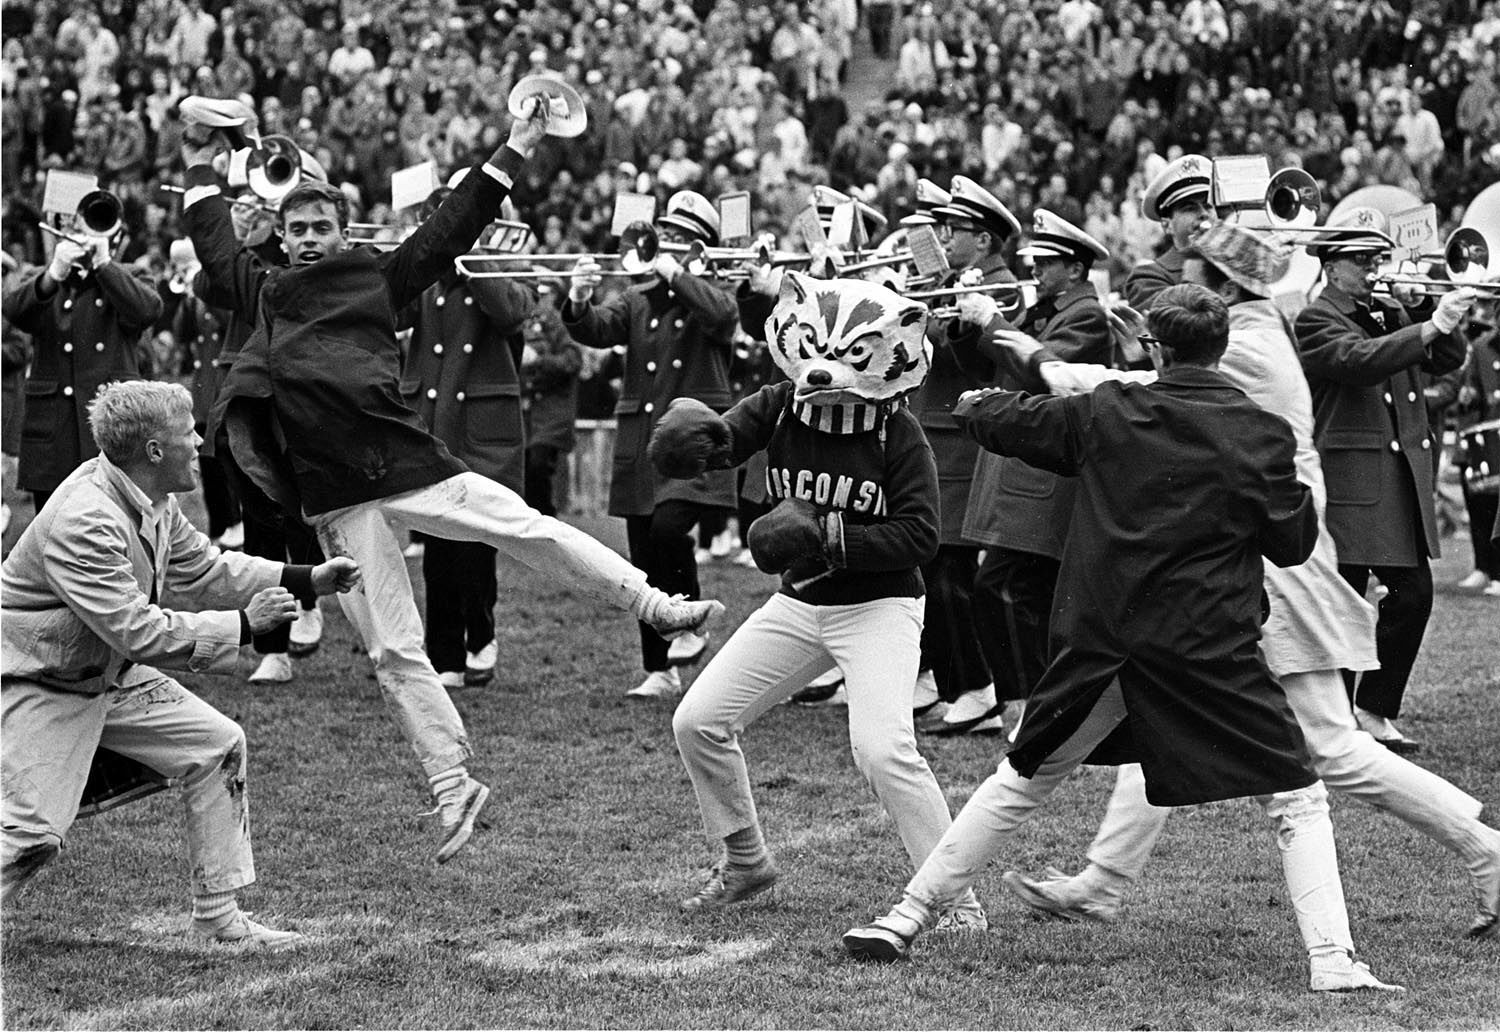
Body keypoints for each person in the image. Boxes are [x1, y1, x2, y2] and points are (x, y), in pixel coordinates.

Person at [180, 97, 723, 863]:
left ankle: (658, 606)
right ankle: (453, 785)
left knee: (526, 527)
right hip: (335, 495)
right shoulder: (264, 289)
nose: (306, 242)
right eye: (295, 230)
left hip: (405, 461)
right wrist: (200, 152)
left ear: (344, 233)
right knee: (393, 654)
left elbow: (455, 224)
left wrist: (517, 145)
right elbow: (208, 236)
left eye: (319, 229)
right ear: (279, 233)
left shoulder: (378, 276)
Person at [842, 283, 1403, 994]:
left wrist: (972, 404)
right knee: (1297, 799)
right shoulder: (1260, 432)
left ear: (1154, 347)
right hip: (1207, 646)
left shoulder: (1111, 409)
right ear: (1223, 346)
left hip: (1104, 637)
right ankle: (1332, 961)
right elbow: (1292, 545)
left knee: (1021, 780)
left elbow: (1014, 418)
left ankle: (904, 916)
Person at [995, 224, 1500, 945]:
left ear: (1227, 285)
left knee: (1333, 747)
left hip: (1283, 570)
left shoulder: (1251, 346)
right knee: (1166, 695)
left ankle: (1487, 849)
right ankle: (1103, 882)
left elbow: (1127, 389)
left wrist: (1037, 358)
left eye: (1196, 272)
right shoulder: (1254, 328)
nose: (1184, 283)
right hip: (1260, 558)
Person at [649, 272, 982, 929]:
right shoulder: (781, 401)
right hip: (801, 604)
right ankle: (745, 861)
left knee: (884, 753)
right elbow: (726, 442)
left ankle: (956, 903)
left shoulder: (899, 433)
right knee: (698, 722)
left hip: (880, 608)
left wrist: (830, 536)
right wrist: (700, 443)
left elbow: (921, 536)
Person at [0, 380, 361, 947]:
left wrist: (305, 578)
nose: (198, 442)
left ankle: (218, 919)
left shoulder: (150, 498)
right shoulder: (85, 519)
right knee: (29, 837)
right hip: (42, 682)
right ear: (152, 451)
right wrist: (246, 626)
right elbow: (139, 631)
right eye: (186, 433)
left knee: (217, 746)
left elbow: (205, 569)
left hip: (104, 673)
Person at [1294, 207, 1473, 753]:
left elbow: (1446, 359)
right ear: (1330, 265)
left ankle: (1373, 709)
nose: (1373, 267)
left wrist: (1427, 313)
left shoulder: (1388, 311)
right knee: (1342, 601)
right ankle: (1331, 721)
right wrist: (1425, 324)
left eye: (1376, 256)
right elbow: (1358, 361)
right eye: (1361, 259)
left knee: (1413, 594)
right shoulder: (1315, 318)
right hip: (1348, 478)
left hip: (1395, 479)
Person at [563, 190, 740, 698]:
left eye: (682, 238)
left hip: (689, 443)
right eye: (667, 234)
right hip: (643, 440)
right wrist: (578, 299)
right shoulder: (640, 298)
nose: (668, 244)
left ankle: (691, 620)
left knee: (668, 529)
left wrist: (678, 274)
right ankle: (658, 668)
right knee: (642, 557)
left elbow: (722, 318)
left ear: (700, 247)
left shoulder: (710, 289)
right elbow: (598, 327)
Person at [943, 210, 1111, 737]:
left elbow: (1049, 371)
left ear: (1077, 270)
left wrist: (993, 323)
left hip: (1047, 475)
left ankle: (1032, 705)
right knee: (1021, 594)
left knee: (1010, 589)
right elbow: (985, 371)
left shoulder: (1085, 316)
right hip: (1021, 474)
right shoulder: (1042, 310)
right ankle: (1032, 704)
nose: (1036, 270)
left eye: (1049, 263)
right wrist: (967, 330)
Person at [188, 183, 327, 686]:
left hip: (303, 385)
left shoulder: (305, 251)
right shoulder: (246, 253)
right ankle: (273, 649)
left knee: (305, 510)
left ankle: (308, 597)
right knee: (260, 518)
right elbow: (208, 286)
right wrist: (244, 235)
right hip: (249, 390)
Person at [401, 185, 535, 690]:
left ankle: (480, 635)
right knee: (437, 545)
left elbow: (509, 311)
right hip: (434, 426)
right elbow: (392, 315)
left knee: (476, 546)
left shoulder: (507, 264)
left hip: (482, 433)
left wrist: (472, 252)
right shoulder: (428, 272)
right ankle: (444, 658)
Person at [908, 176, 1021, 733]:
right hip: (938, 436)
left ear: (984, 239)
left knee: (953, 575)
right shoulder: (952, 282)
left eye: (955, 230)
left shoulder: (999, 289)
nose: (943, 237)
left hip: (962, 441)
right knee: (936, 571)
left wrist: (951, 318)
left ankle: (977, 687)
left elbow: (986, 361)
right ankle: (955, 684)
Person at [3, 195, 161, 514]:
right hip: (54, 434)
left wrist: (104, 266)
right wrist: (53, 274)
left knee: (115, 529)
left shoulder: (129, 275)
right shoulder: (43, 278)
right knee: (54, 533)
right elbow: (13, 310)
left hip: (111, 427)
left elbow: (147, 311)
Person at [1122, 153, 1214, 312]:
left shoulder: (1230, 263)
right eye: (1190, 208)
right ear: (1167, 225)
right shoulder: (1148, 278)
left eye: (1208, 206)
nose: (1204, 214)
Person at [1453, 295, 1500, 595]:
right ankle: (1485, 568)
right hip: (1489, 438)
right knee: (1482, 505)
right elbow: (1468, 394)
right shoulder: (1482, 347)